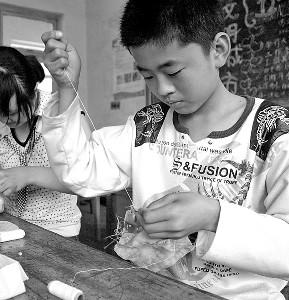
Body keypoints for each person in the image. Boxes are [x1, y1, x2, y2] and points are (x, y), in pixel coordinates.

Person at [40, 0, 289, 299]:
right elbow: (78, 173)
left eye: (174, 71)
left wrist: (214, 216)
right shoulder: (149, 125)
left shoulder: (273, 131)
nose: (162, 88)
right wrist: (67, 87)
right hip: (152, 289)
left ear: (218, 50)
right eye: (147, 75)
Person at [0, 46, 82, 237]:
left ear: (31, 91)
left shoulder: (57, 112)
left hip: (58, 232)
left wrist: (28, 174)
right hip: (10, 227)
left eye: (11, 112)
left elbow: (80, 180)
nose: (4, 121)